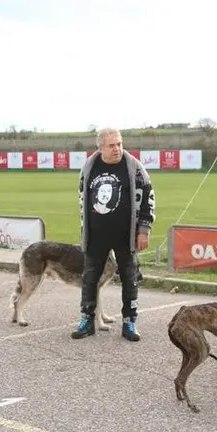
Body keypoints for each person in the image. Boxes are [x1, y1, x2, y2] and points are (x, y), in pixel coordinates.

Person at [72, 127, 155, 342]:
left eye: (119, 143)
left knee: (130, 278)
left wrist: (144, 230)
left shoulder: (134, 167)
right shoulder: (89, 167)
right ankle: (87, 321)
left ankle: (129, 322)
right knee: (89, 278)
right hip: (96, 235)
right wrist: (85, 232)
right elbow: (83, 200)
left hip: (125, 235)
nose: (117, 148)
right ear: (100, 148)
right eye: (112, 145)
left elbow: (148, 197)